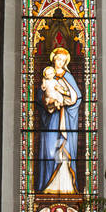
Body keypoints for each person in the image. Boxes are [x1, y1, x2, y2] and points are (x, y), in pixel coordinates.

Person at [36, 46, 81, 194]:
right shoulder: (47, 78)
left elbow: (77, 98)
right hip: (51, 121)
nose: (60, 62)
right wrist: (47, 103)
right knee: (50, 153)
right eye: (58, 59)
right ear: (53, 59)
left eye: (63, 60)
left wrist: (65, 102)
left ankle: (68, 189)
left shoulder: (68, 77)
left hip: (66, 122)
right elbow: (39, 97)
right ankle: (48, 187)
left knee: (65, 153)